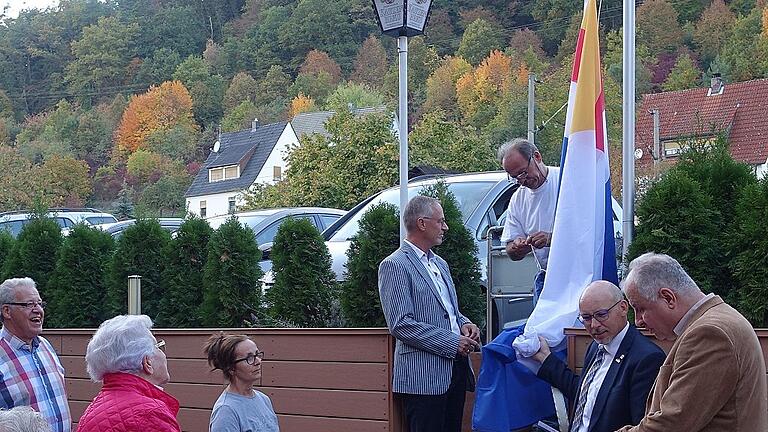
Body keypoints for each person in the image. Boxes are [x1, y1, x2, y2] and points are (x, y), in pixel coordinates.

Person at [617, 252, 768, 432]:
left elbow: (671, 424)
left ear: (668, 298)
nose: (638, 321)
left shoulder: (709, 334)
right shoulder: (717, 321)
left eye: (640, 309)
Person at [378, 195, 481, 432]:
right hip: (423, 379)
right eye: (440, 221)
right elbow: (401, 324)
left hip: (455, 370)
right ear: (422, 224)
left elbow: (448, 311)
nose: (445, 227)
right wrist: (452, 341)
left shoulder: (440, 264)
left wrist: (466, 324)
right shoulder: (394, 265)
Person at [531, 280, 665, 432]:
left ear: (623, 308)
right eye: (586, 318)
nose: (594, 325)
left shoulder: (647, 359)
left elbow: (643, 426)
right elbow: (586, 394)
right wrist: (545, 358)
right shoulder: (596, 345)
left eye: (601, 315)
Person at [77, 315, 180, 432]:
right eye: (158, 347)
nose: (163, 354)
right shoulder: (150, 413)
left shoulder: (94, 410)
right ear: (147, 362)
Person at [0, 277, 71, 432]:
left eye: (40, 304)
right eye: (29, 304)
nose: (38, 310)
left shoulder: (45, 346)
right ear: (7, 311)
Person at [498, 138, 559, 303]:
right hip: (546, 278)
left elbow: (586, 231)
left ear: (537, 157)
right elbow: (510, 249)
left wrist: (550, 239)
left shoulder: (565, 181)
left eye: (524, 172)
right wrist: (518, 247)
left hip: (578, 274)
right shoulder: (518, 199)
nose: (522, 180)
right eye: (514, 177)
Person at [203, 332, 279, 432]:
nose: (258, 361)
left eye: (257, 354)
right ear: (231, 368)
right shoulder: (226, 411)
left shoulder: (264, 399)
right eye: (249, 358)